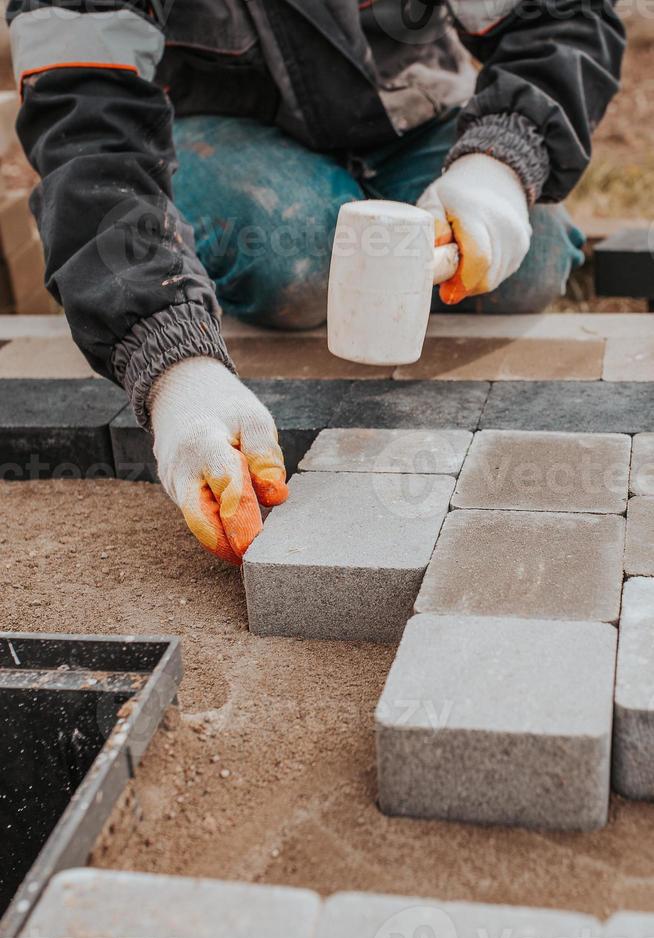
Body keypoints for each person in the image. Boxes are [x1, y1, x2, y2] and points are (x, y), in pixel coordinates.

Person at [7, 0, 624, 564]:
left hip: (406, 104)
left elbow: (559, 17)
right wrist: (170, 362)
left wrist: (500, 163)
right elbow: (88, 132)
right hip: (215, 124)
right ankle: (279, 231)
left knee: (532, 259)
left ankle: (380, 209)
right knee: (297, 257)